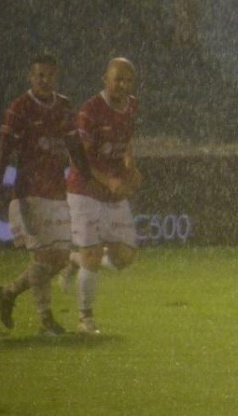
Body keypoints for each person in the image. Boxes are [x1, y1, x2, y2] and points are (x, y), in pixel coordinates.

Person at [0, 53, 90, 335]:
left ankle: (9, 293)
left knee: (61, 258)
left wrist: (87, 178)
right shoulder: (20, 107)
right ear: (31, 76)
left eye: (49, 75)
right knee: (43, 257)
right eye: (39, 75)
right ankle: (46, 320)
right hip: (29, 192)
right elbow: (3, 150)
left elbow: (74, 146)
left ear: (55, 77)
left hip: (56, 191)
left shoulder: (63, 106)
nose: (44, 80)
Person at [65, 57, 142, 334]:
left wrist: (130, 167)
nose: (122, 85)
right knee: (94, 254)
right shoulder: (90, 111)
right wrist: (106, 179)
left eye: (127, 80)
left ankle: (76, 260)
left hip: (113, 192)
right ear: (105, 80)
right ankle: (85, 320)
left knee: (125, 257)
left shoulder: (131, 106)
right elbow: (79, 159)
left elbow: (127, 140)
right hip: (84, 192)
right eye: (117, 79)